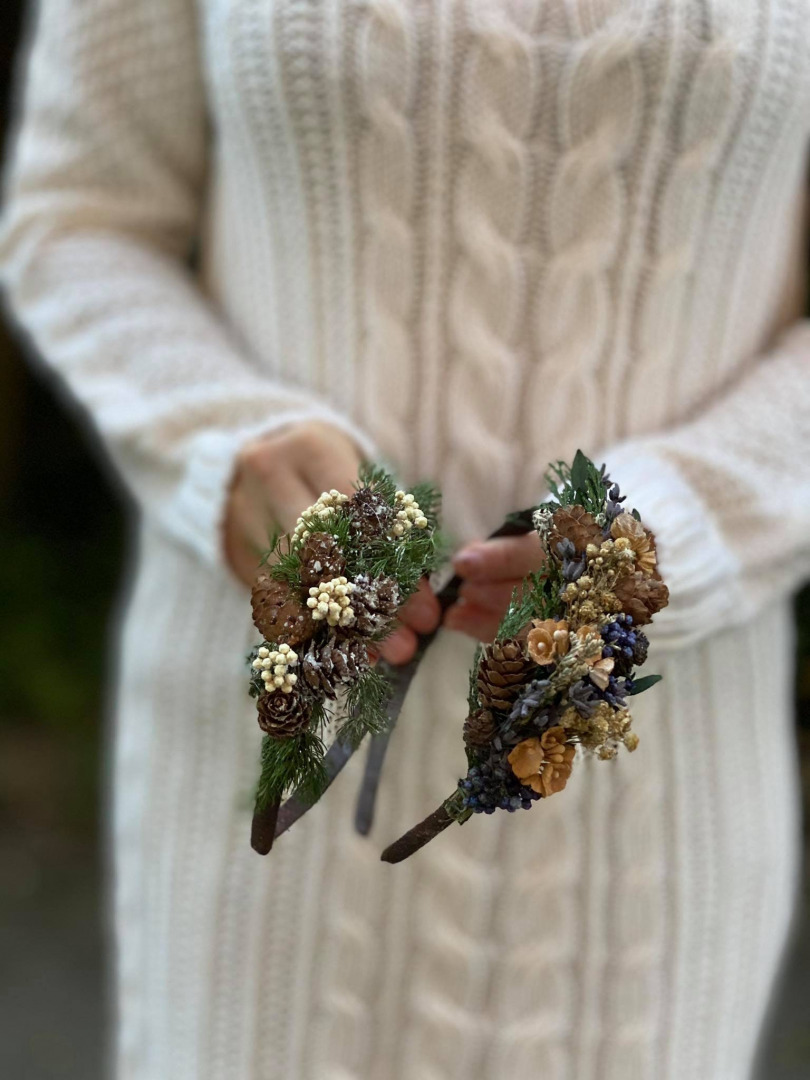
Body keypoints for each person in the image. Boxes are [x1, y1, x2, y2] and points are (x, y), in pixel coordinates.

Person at [1, 1, 808, 1077]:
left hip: (648, 847)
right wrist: (222, 439)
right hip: (268, 819)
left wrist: (692, 519)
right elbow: (78, 218)